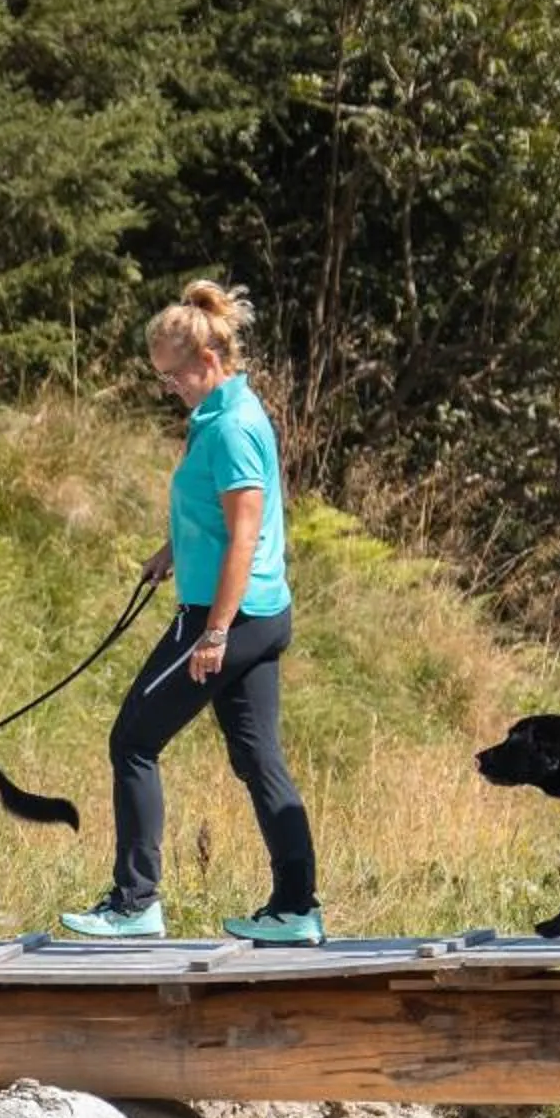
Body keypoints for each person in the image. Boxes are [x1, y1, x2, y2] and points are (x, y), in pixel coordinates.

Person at [61, 279, 325, 944]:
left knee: (133, 742)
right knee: (259, 759)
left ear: (207, 363)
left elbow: (245, 534)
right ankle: (297, 909)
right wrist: (171, 549)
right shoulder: (219, 415)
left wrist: (211, 631)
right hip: (259, 614)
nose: (168, 387)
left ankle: (134, 902)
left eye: (173, 375)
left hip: (227, 617)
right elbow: (212, 515)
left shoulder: (232, 427)